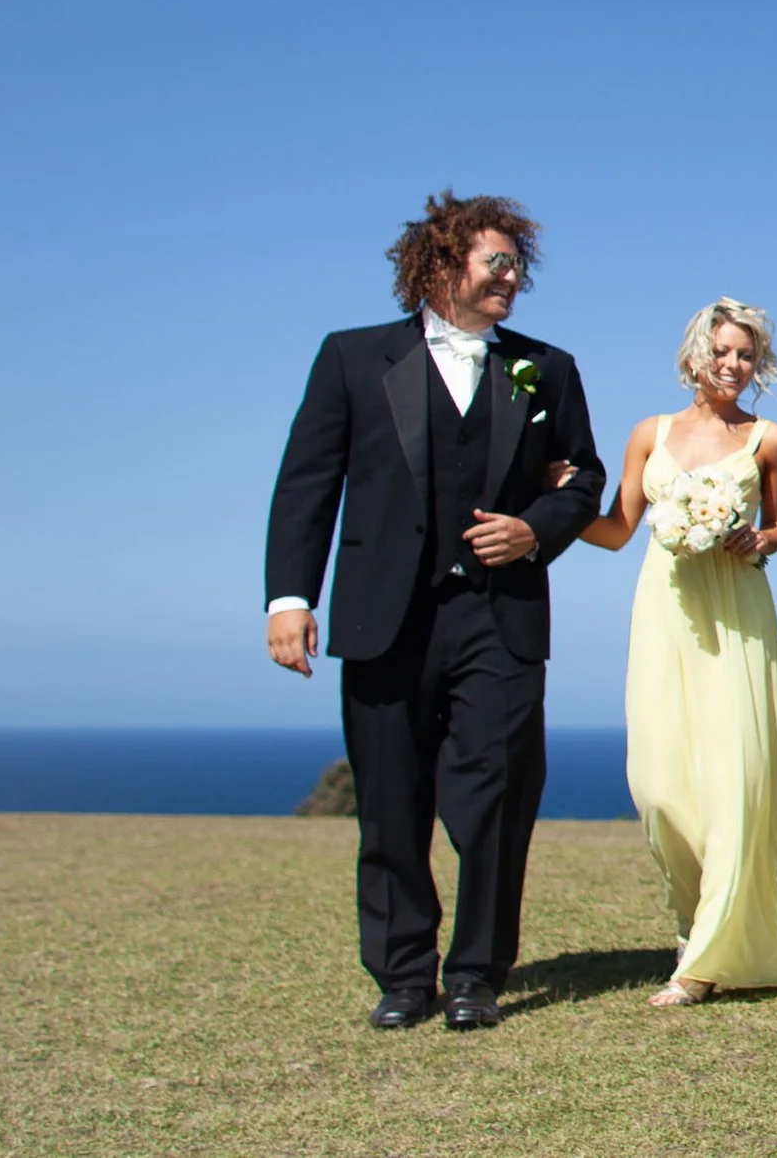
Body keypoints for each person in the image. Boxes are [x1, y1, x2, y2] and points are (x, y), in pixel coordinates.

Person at [264, 192, 605, 1030]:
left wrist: (532, 529)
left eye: (517, 263)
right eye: (497, 261)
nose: (512, 277)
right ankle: (403, 975)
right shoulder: (350, 358)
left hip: (502, 620)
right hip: (386, 618)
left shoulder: (545, 367)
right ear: (441, 266)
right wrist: (288, 597)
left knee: (493, 800)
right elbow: (308, 484)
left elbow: (588, 482)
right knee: (389, 801)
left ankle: (476, 975)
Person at [574, 299, 777, 1006]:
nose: (733, 365)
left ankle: (703, 961)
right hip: (665, 613)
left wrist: (761, 538)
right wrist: (553, 512)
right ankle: (694, 922)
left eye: (745, 354)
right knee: (659, 787)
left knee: (737, 783)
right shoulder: (648, 433)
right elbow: (618, 528)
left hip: (740, 615)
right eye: (721, 351)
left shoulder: (771, 438)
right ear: (694, 354)